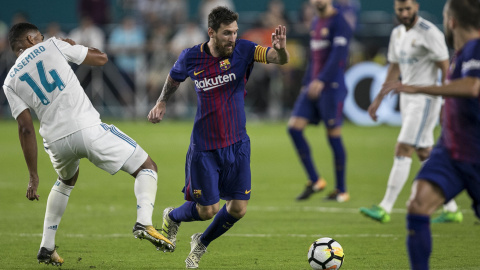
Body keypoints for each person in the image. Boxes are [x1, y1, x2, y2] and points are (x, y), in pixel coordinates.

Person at [3, 23, 173, 266]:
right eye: (39, 36)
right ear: (30, 39)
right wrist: (74, 46)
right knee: (147, 166)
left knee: (65, 180)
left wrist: (33, 175)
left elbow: (25, 128)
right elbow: (101, 59)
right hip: (87, 129)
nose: (42, 38)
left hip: (55, 142)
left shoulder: (9, 81)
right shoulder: (52, 45)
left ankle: (46, 246)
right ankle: (144, 222)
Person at [148, 6, 289, 269]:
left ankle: (201, 243)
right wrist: (161, 103)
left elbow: (278, 59)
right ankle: (173, 216)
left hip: (237, 144)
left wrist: (280, 49)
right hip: (205, 148)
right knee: (207, 210)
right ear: (211, 32)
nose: (232, 38)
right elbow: (174, 78)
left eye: (235, 32)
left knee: (238, 208)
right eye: (227, 33)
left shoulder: (245, 50)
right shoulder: (191, 57)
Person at [382, 1, 480, 268]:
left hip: (475, 150)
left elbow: (472, 87)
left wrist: (419, 88)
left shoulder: (475, 47)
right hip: (453, 150)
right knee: (418, 203)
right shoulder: (461, 52)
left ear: (452, 22)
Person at [359, 0, 463, 224]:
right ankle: (452, 207)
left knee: (404, 146)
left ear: (416, 6)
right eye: (400, 10)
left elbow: (446, 69)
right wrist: (378, 98)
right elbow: (394, 67)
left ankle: (385, 207)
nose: (405, 13)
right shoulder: (397, 33)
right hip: (407, 99)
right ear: (395, 9)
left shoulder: (429, 32)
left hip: (426, 99)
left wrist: (446, 103)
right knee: (424, 152)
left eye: (408, 9)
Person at [287, 0, 352, 202]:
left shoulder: (340, 22)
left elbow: (338, 56)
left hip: (331, 87)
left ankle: (341, 190)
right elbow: (314, 58)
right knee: (294, 128)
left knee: (333, 136)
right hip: (313, 86)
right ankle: (315, 180)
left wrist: (322, 80)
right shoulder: (316, 21)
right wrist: (308, 82)